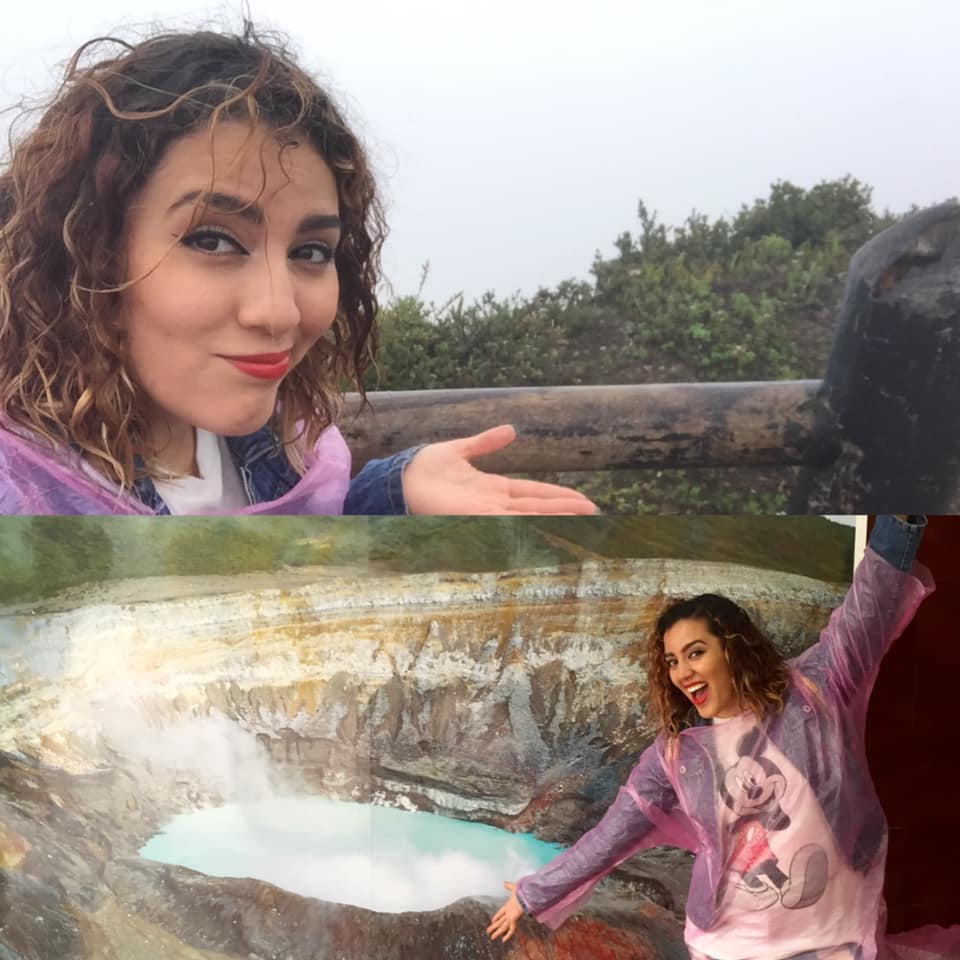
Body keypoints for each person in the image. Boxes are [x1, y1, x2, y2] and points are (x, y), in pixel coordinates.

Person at [0, 24, 596, 517]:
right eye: (213, 240)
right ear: (88, 249)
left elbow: (263, 569)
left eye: (310, 252)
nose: (280, 311)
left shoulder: (285, 448)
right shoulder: (22, 493)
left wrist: (391, 497)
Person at [488, 516, 960, 959]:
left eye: (695, 652)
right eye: (672, 661)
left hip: (833, 938)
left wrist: (903, 511)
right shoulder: (675, 755)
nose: (682, 672)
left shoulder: (818, 689)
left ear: (733, 647)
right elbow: (607, 839)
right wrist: (534, 893)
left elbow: (871, 604)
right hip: (731, 946)